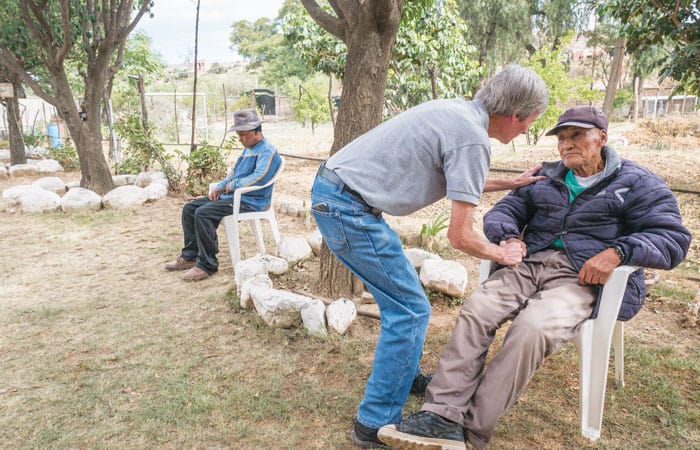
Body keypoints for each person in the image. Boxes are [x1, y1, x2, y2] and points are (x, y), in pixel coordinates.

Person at [377, 106, 692, 450]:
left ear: (602, 137)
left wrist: (618, 252)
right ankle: (440, 415)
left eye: (577, 136)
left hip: (581, 277)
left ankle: (471, 430)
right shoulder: (547, 175)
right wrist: (510, 236)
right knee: (476, 311)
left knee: (532, 329)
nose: (567, 145)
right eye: (562, 138)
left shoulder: (635, 182)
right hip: (528, 264)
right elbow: (504, 211)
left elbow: (672, 237)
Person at [309, 64, 550, 448]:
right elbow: (460, 237)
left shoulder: (459, 113)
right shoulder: (472, 138)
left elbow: (460, 176)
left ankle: (402, 376)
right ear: (515, 115)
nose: (526, 131)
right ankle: (373, 423)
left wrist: (510, 182)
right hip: (347, 210)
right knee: (411, 309)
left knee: (402, 305)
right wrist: (501, 252)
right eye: (530, 123)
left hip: (338, 196)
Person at [165, 108, 282, 281]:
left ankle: (207, 264)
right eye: (239, 135)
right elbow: (233, 172)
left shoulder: (267, 150)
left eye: (244, 135)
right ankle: (190, 255)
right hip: (233, 197)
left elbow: (259, 177)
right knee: (190, 208)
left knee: (204, 213)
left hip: (252, 200)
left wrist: (232, 186)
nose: (241, 139)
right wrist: (220, 187)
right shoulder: (247, 150)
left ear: (257, 132)